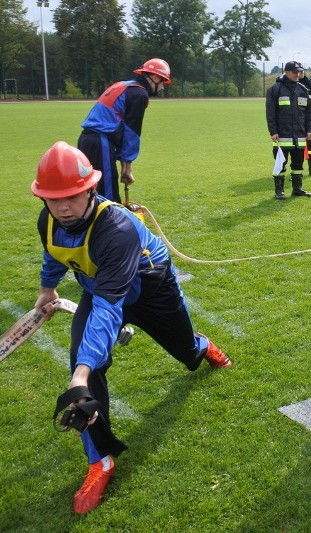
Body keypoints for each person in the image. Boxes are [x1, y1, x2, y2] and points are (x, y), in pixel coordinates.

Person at [31, 141, 232, 514]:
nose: (62, 207)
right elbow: (54, 252)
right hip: (100, 287)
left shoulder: (117, 228)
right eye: (53, 199)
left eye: (72, 196)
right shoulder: (49, 220)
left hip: (151, 287)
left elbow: (109, 309)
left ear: (91, 189)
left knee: (184, 351)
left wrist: (81, 371)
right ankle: (101, 460)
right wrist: (47, 287)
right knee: (85, 380)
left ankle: (201, 347)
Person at [77, 58, 171, 203]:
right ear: (155, 77)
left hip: (86, 140)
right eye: (163, 81)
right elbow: (131, 132)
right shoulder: (139, 94)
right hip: (100, 142)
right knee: (108, 196)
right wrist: (127, 167)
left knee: (91, 191)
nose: (163, 87)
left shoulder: (123, 85)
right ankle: (111, 225)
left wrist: (124, 165)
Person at [265, 61, 311, 199]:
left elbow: (308, 113)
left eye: (299, 72)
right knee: (281, 164)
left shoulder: (303, 90)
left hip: (300, 136)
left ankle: (297, 189)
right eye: (295, 72)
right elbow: (270, 113)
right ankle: (279, 191)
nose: (298, 74)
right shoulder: (275, 89)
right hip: (282, 136)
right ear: (286, 72)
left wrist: (309, 129)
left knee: (298, 164)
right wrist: (273, 131)